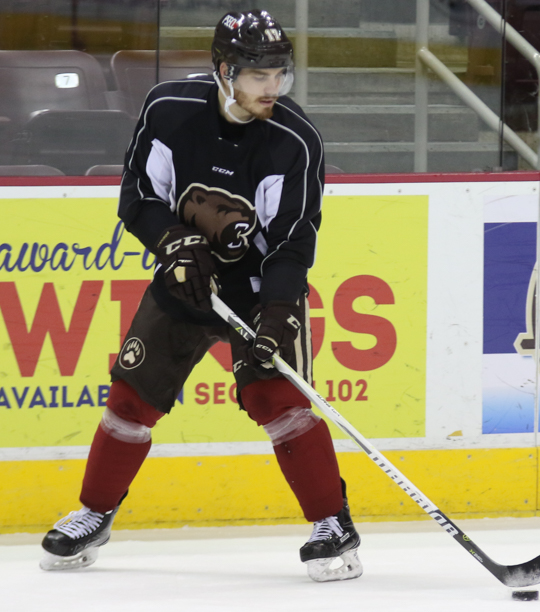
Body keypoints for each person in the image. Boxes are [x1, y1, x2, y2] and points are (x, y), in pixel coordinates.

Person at [38, 9, 361, 583]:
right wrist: (173, 244)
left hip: (260, 290)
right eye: (259, 75)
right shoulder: (168, 110)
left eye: (280, 74)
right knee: (133, 397)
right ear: (223, 70)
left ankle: (332, 524)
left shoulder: (294, 140)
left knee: (277, 401)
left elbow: (292, 241)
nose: (272, 87)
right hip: (183, 277)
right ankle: (94, 512)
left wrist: (281, 312)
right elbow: (138, 194)